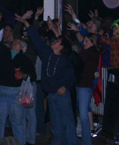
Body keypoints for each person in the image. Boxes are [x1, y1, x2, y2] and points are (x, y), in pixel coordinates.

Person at [17, 14, 77, 145]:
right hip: (51, 95)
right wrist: (26, 23)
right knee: (55, 125)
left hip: (62, 95)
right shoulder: (47, 54)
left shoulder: (65, 61)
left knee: (67, 123)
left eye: (57, 41)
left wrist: (65, 87)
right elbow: (36, 39)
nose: (54, 41)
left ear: (60, 47)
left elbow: (72, 77)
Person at [0, 18, 36, 145]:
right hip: (0, 92)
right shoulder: (4, 53)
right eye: (15, 40)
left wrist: (24, 75)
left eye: (19, 42)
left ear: (22, 48)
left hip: (14, 94)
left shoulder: (24, 59)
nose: (16, 41)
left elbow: (32, 76)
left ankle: (20, 143)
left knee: (17, 122)